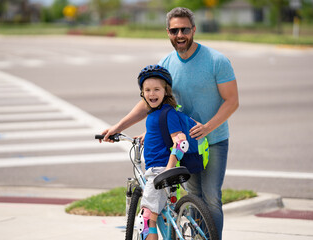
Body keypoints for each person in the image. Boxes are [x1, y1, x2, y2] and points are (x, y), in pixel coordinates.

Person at [101, 7, 239, 239]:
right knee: (193, 197)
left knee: (212, 197)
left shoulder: (216, 61)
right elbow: (150, 103)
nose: (180, 35)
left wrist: (207, 127)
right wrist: (118, 128)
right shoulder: (165, 64)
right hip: (185, 144)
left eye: (185, 29)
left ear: (193, 29)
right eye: (174, 30)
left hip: (213, 140)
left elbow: (232, 101)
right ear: (168, 32)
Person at [102, 64, 191, 240]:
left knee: (146, 219)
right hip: (161, 172)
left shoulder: (168, 113)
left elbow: (181, 143)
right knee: (163, 216)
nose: (152, 94)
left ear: (166, 91)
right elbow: (161, 129)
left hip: (159, 172)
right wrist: (148, 135)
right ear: (142, 93)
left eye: (157, 89)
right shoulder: (157, 114)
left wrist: (168, 169)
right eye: (147, 90)